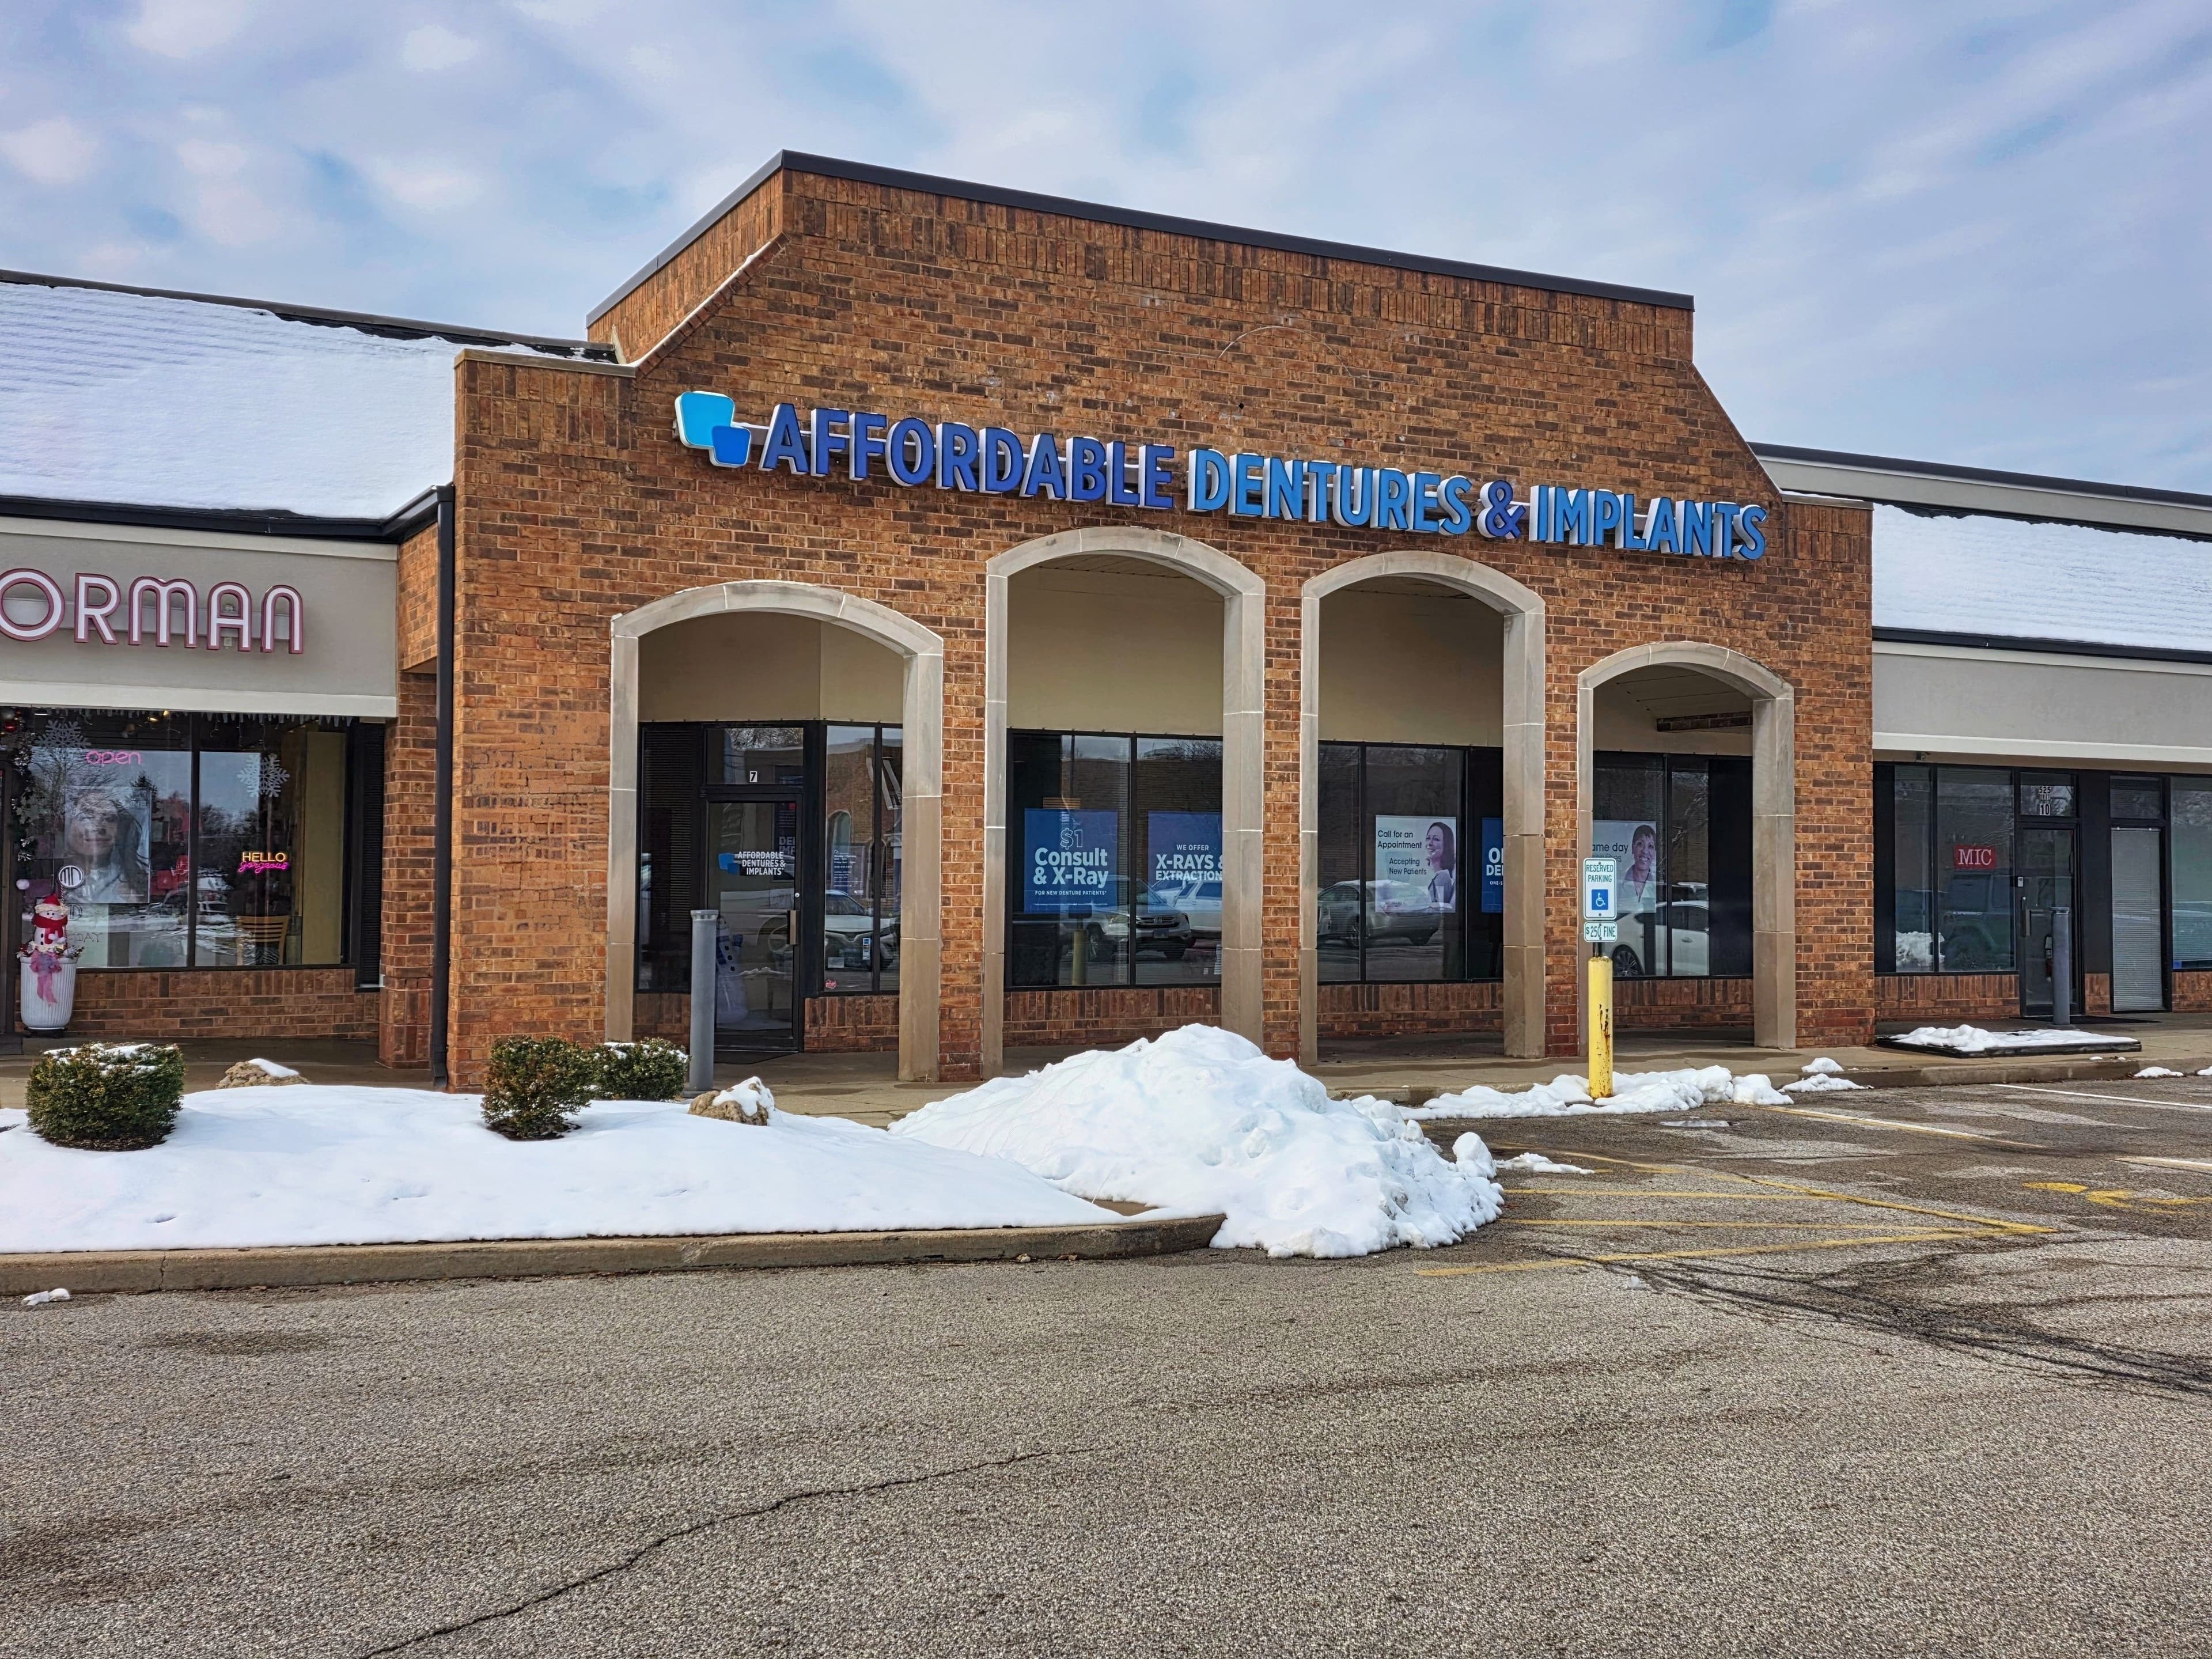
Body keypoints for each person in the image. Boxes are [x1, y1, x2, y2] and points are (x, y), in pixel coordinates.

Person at [63, 789, 147, 905]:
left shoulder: (131, 884)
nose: (98, 827)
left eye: (110, 819)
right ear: (67, 826)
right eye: (86, 817)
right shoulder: (48, 878)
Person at [1424, 820, 1457, 911]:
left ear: (1446, 845)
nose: (1430, 843)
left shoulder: (1443, 877)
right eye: (1428, 838)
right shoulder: (1439, 875)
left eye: (1436, 839)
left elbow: (1438, 912)